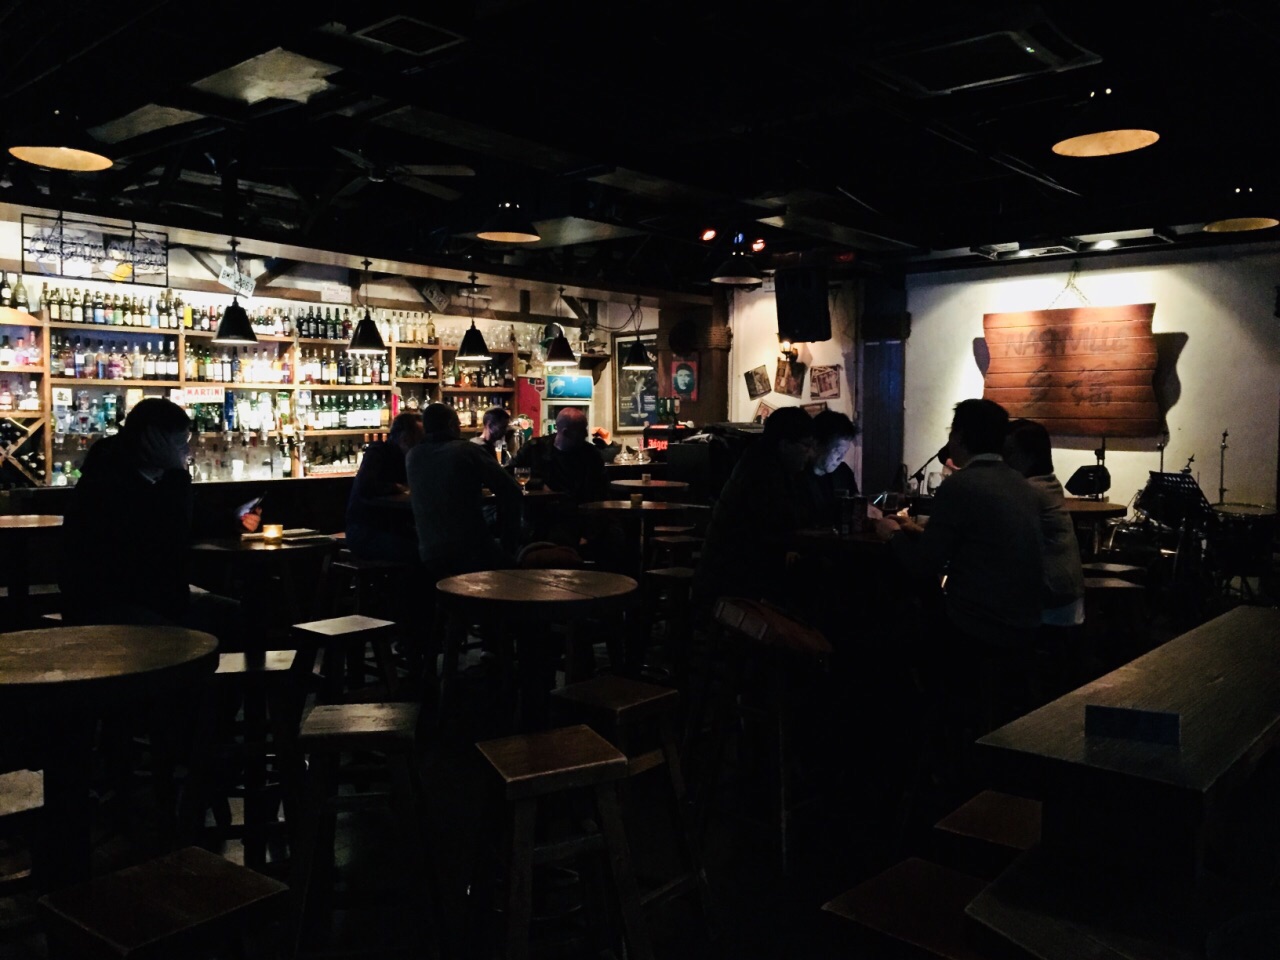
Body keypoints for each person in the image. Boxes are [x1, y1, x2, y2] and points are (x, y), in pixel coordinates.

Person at [59, 398, 248, 637]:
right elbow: (169, 536)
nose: (186, 451)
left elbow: (192, 519)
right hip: (112, 606)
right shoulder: (111, 483)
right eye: (180, 443)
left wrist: (232, 520)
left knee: (245, 616)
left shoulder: (140, 475)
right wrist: (177, 473)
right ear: (153, 440)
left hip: (153, 599)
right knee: (227, 623)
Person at [875, 398, 1043, 648]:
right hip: (1026, 622)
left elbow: (923, 564)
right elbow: (978, 543)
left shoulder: (960, 484)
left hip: (979, 624)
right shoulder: (1021, 483)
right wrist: (917, 531)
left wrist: (892, 534)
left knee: (893, 610)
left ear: (960, 436)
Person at [694, 406, 818, 609]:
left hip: (732, 572)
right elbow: (780, 525)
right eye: (806, 445)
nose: (810, 453)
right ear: (785, 444)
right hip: (734, 581)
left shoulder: (762, 461)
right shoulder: (763, 473)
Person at [406, 402, 521, 578]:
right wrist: (509, 544)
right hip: (470, 549)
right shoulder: (466, 450)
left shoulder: (412, 455)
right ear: (452, 425)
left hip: (429, 552)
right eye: (459, 424)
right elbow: (511, 490)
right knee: (516, 572)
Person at [1003, 419, 1084, 627]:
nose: (1004, 459)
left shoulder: (1028, 490)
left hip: (1051, 601)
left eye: (1009, 452)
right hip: (1067, 595)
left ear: (1030, 456)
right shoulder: (1048, 483)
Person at [344, 411, 423, 563]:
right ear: (405, 439)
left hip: (391, 529)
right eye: (418, 439)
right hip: (366, 530)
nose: (421, 445)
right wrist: (397, 487)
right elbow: (366, 486)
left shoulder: (410, 459)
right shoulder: (378, 451)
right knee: (420, 551)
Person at [509, 407, 605, 504]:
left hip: (580, 510)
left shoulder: (592, 454)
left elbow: (602, 491)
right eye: (581, 430)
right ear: (566, 432)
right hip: (542, 509)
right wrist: (539, 484)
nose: (586, 434)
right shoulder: (533, 449)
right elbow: (509, 475)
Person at [805, 409, 859, 528]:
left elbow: (855, 504)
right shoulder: (798, 475)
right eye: (837, 452)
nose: (841, 458)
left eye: (844, 453)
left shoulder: (843, 472)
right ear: (817, 445)